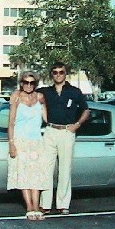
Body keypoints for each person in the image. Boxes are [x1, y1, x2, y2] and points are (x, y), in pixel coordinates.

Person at [38, 61, 90, 215]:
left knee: (65, 169)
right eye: (55, 72)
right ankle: (45, 204)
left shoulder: (75, 92)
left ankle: (63, 204)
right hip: (50, 131)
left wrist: (77, 124)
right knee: (46, 168)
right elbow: (26, 94)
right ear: (51, 75)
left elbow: (86, 110)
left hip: (67, 132)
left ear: (65, 74)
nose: (58, 75)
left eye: (61, 72)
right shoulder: (45, 92)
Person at [7, 70, 49, 221]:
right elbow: (11, 123)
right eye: (26, 82)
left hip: (36, 141)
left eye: (32, 83)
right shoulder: (16, 96)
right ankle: (30, 207)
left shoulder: (40, 97)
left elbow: (46, 118)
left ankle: (37, 206)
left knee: (36, 175)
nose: (29, 85)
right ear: (21, 83)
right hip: (20, 141)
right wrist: (11, 144)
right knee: (23, 174)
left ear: (36, 84)